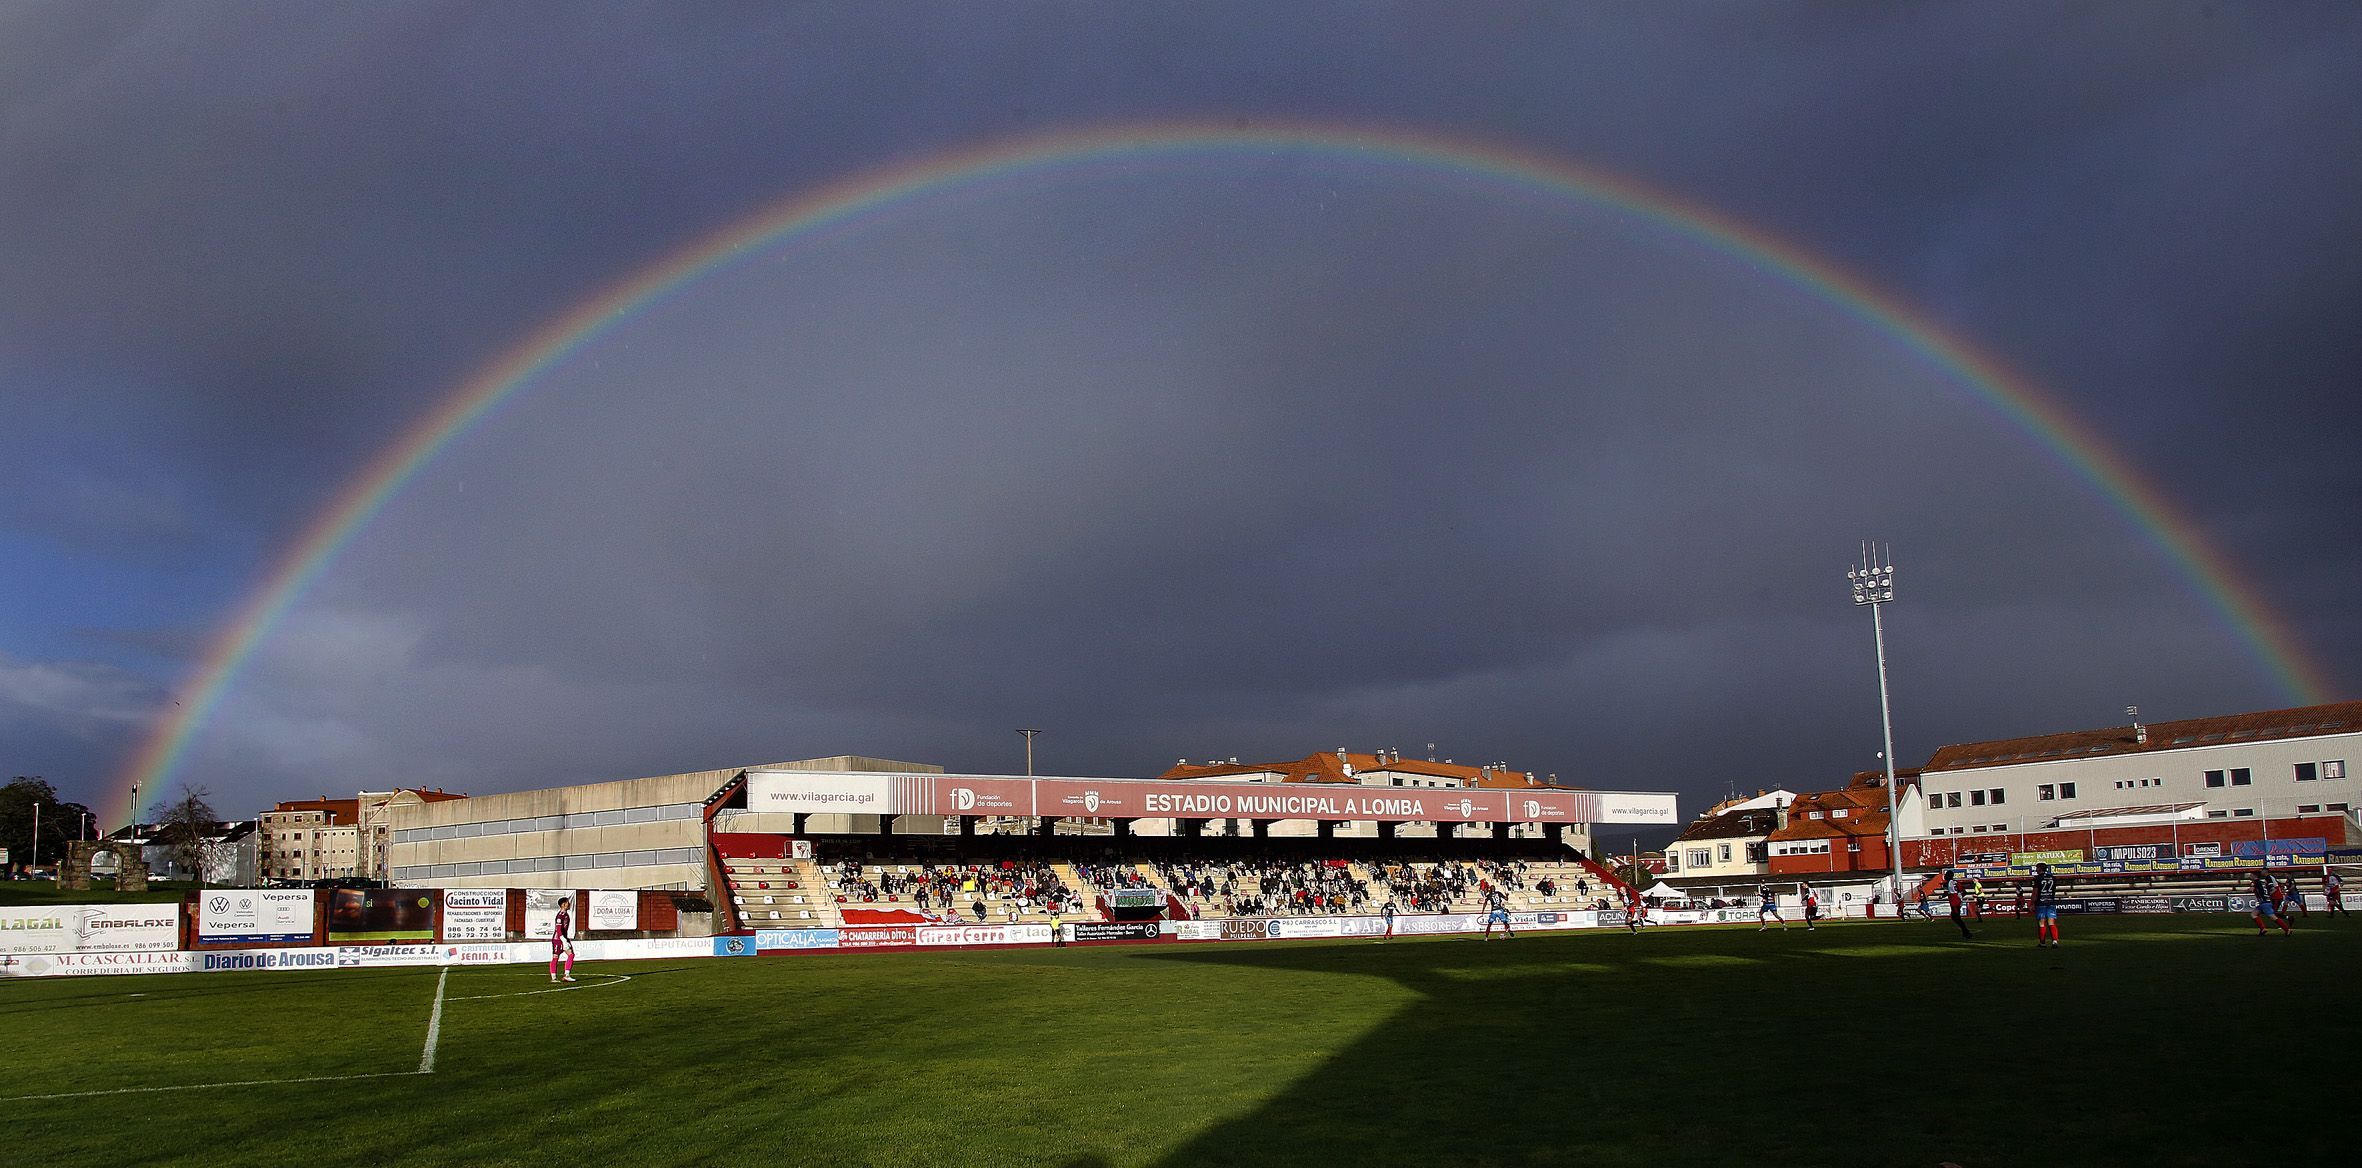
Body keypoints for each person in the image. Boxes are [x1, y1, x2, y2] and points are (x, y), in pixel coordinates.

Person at [2030, 863, 2060, 948]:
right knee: (2051, 922)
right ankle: (2054, 941)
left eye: (2036, 868)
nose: (2036, 869)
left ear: (2039, 868)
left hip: (2041, 903)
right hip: (2051, 902)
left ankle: (2042, 943)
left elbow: (2035, 892)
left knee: (2041, 923)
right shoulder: (2053, 877)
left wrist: (2032, 903)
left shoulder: (2037, 878)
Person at [549, 895, 577, 983]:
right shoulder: (560, 916)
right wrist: (563, 940)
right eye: (568, 903)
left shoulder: (565, 915)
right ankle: (554, 977)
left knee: (571, 955)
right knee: (556, 957)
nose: (569, 904)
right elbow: (558, 929)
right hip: (558, 939)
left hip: (563, 938)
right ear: (563, 904)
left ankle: (566, 975)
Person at [2250, 871, 2288, 936]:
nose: (2250, 876)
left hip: (2265, 903)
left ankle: (2287, 929)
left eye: (2251, 875)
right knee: (2254, 914)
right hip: (2265, 902)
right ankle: (2263, 929)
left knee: (2273, 917)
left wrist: (2245, 890)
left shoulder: (2256, 882)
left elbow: (2251, 889)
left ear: (2254, 876)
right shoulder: (2262, 882)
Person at [1945, 872, 1973, 940]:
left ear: (1949, 876)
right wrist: (1960, 897)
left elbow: (1951, 893)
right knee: (1955, 917)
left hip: (1954, 902)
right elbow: (1964, 892)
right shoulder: (1955, 882)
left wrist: (1957, 897)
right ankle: (1965, 932)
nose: (1945, 876)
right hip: (1957, 901)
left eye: (1946, 875)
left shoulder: (1950, 883)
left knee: (1956, 917)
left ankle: (1966, 933)